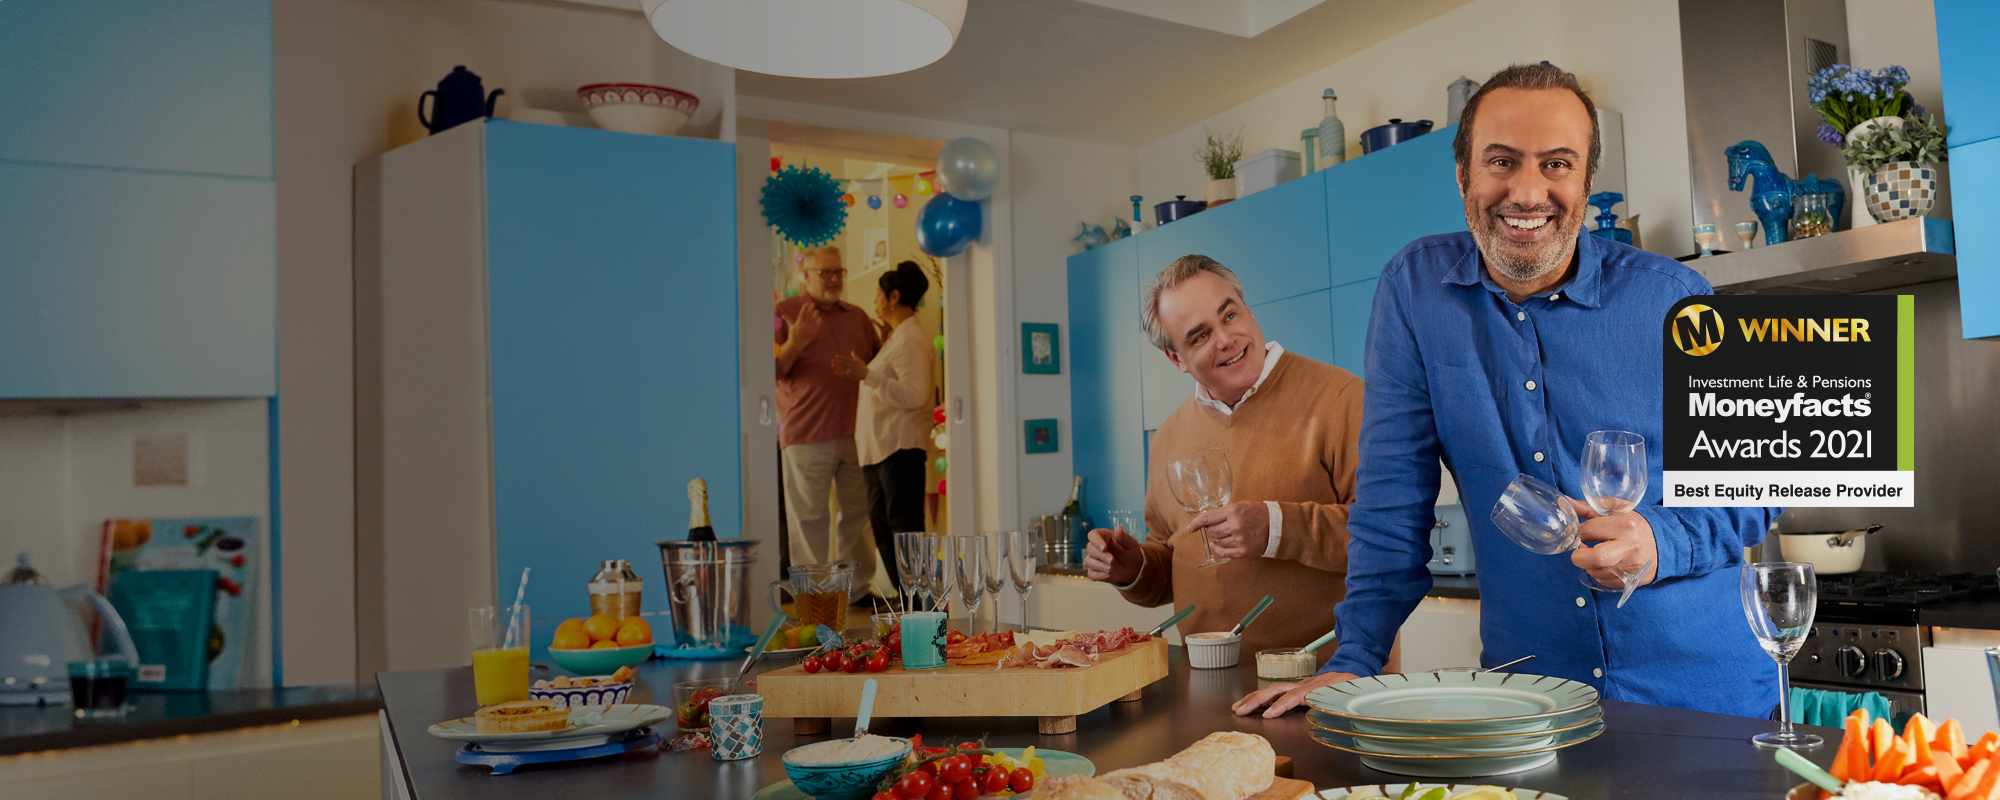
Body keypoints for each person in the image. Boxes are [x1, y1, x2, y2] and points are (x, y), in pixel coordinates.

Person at [1233, 63, 1781, 720]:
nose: (1528, 191)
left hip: (1706, 704)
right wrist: (1354, 659)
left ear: (1585, 183)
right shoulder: (1414, 292)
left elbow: (1765, 482)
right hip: (1531, 707)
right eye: (1502, 161)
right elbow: (1389, 508)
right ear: (1463, 175)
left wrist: (1663, 541)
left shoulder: (1676, 296)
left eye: (1556, 164)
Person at [1082, 254, 1368, 661]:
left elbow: (1387, 537)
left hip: (1329, 679)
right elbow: (1174, 566)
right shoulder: (1168, 437)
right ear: (1176, 359)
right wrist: (1134, 569)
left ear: (1247, 309)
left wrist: (1273, 527)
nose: (1225, 339)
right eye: (1199, 336)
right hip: (1212, 680)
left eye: (1229, 315)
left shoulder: (1343, 398)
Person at [774, 246, 882, 600]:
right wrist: (797, 340)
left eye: (839, 272)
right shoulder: (785, 313)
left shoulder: (858, 317)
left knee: (856, 516)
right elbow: (771, 370)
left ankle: (856, 590)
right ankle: (813, 597)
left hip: (856, 433)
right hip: (805, 435)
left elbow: (877, 367)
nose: (834, 279)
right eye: (825, 273)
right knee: (809, 519)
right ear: (806, 275)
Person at [833, 261, 934, 595]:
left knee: (904, 533)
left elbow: (917, 396)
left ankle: (923, 607)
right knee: (884, 530)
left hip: (899, 449)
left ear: (893, 296)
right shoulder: (896, 338)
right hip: (879, 451)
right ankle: (911, 603)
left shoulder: (912, 339)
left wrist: (867, 375)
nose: (874, 300)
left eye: (878, 294)